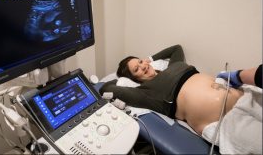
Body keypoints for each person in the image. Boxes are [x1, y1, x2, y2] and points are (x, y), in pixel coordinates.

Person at [99, 45, 262, 154]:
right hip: (226, 122)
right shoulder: (145, 92)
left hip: (244, 96)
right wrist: (120, 77)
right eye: (137, 69)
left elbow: (176, 48)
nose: (143, 66)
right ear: (135, 79)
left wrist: (150, 58)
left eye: (141, 61)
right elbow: (106, 88)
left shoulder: (174, 65)